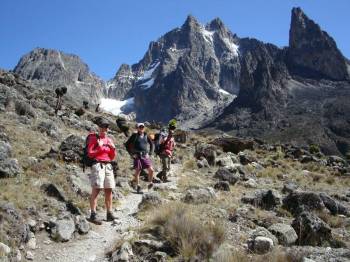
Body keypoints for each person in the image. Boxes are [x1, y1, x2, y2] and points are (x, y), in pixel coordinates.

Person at [87, 118, 117, 224]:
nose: (104, 129)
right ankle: (93, 214)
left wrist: (113, 149)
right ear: (99, 127)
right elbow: (90, 153)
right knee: (97, 189)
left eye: (106, 127)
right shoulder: (94, 139)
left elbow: (112, 157)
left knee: (109, 190)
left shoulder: (109, 140)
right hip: (98, 165)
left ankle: (109, 213)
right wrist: (99, 148)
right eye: (102, 126)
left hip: (108, 165)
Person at [125, 123, 154, 193]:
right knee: (138, 171)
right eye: (140, 127)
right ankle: (138, 186)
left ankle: (150, 183)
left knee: (151, 170)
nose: (141, 128)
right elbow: (127, 145)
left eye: (142, 127)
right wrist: (132, 154)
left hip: (145, 155)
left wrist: (150, 153)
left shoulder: (146, 135)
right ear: (137, 128)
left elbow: (152, 144)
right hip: (137, 156)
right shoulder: (134, 136)